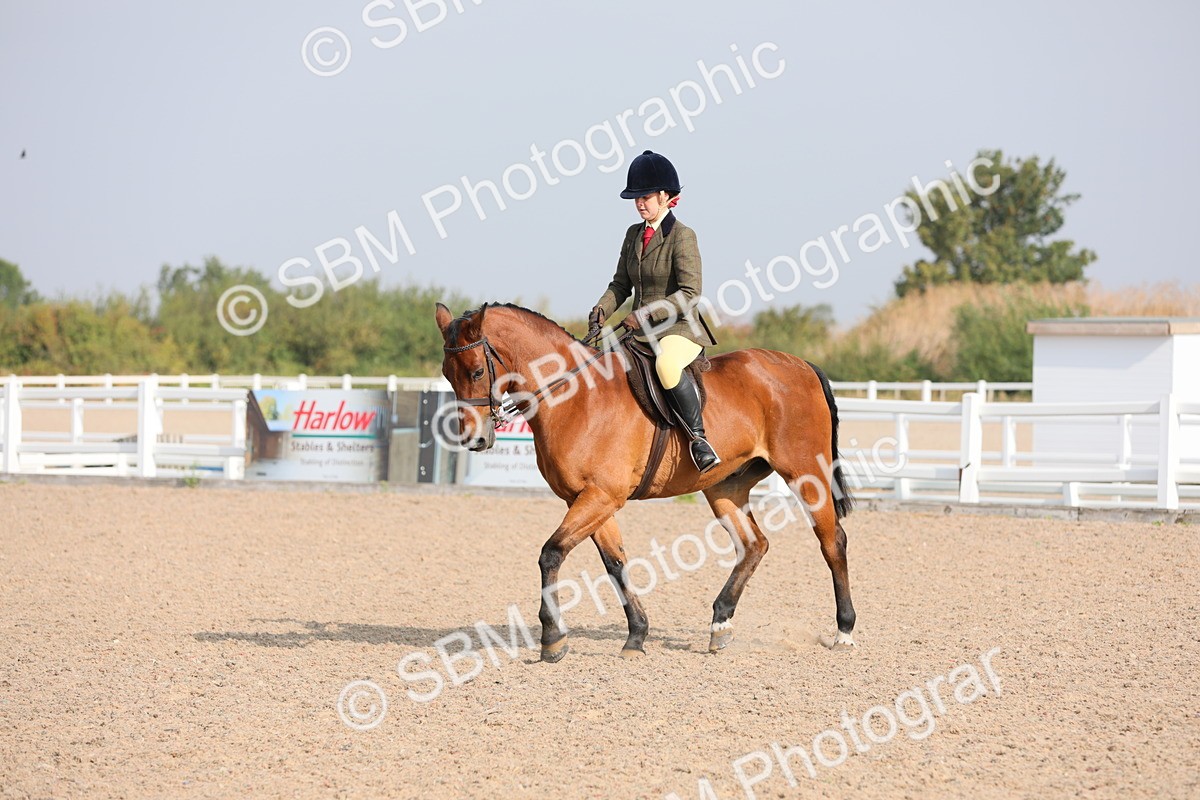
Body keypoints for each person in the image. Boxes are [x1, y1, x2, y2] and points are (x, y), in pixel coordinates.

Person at [588, 150, 720, 473]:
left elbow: (690, 294)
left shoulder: (682, 236)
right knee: (603, 366)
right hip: (639, 332)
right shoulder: (633, 235)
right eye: (636, 198)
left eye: (645, 197)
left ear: (664, 196)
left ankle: (699, 439)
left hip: (679, 329)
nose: (639, 204)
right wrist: (601, 310)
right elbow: (621, 284)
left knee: (666, 364)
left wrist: (646, 315)